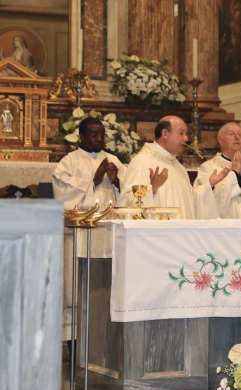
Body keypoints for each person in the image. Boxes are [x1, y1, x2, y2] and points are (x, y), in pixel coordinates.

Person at [52, 117, 126, 342]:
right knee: (76, 285)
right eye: (94, 134)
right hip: (80, 234)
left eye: (102, 134)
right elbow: (62, 196)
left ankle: (103, 334)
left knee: (107, 282)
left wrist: (115, 182)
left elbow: (129, 197)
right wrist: (92, 181)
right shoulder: (69, 162)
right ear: (81, 136)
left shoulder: (113, 160)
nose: (99, 139)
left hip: (107, 233)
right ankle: (74, 337)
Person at [118, 116, 216, 219]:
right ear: (165, 134)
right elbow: (127, 203)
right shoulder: (142, 162)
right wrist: (153, 189)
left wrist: (209, 185)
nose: (186, 138)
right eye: (181, 133)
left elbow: (190, 202)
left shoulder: (180, 168)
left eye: (185, 134)